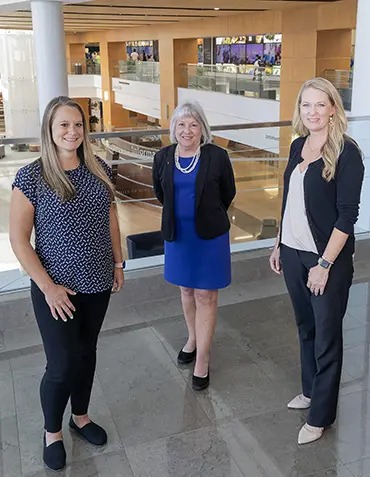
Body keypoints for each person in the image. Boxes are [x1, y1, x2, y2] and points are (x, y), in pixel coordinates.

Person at [9, 96, 124, 471]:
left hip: (97, 281)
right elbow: (18, 240)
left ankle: (80, 417)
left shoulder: (98, 167)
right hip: (55, 288)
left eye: (77, 125)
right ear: (50, 129)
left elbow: (110, 218)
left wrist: (118, 262)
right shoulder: (32, 176)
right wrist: (48, 287)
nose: (72, 131)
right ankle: (51, 432)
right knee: (60, 365)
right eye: (63, 125)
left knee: (86, 353)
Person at [269, 77, 364, 445]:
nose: (312, 112)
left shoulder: (347, 153)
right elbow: (288, 199)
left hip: (327, 260)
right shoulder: (298, 145)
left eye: (319, 105)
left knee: (326, 337)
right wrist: (279, 243)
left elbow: (346, 218)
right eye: (306, 105)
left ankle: (321, 415)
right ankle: (309, 391)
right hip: (292, 254)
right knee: (305, 326)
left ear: (333, 109)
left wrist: (323, 266)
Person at [152, 101, 236, 391]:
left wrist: (205, 215)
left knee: (205, 296)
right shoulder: (163, 157)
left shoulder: (217, 156)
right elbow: (161, 193)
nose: (187, 130)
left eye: (193, 124)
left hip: (209, 236)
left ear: (203, 129)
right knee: (186, 289)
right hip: (179, 236)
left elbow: (228, 193)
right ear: (174, 128)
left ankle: (203, 357)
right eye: (181, 124)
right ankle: (192, 337)